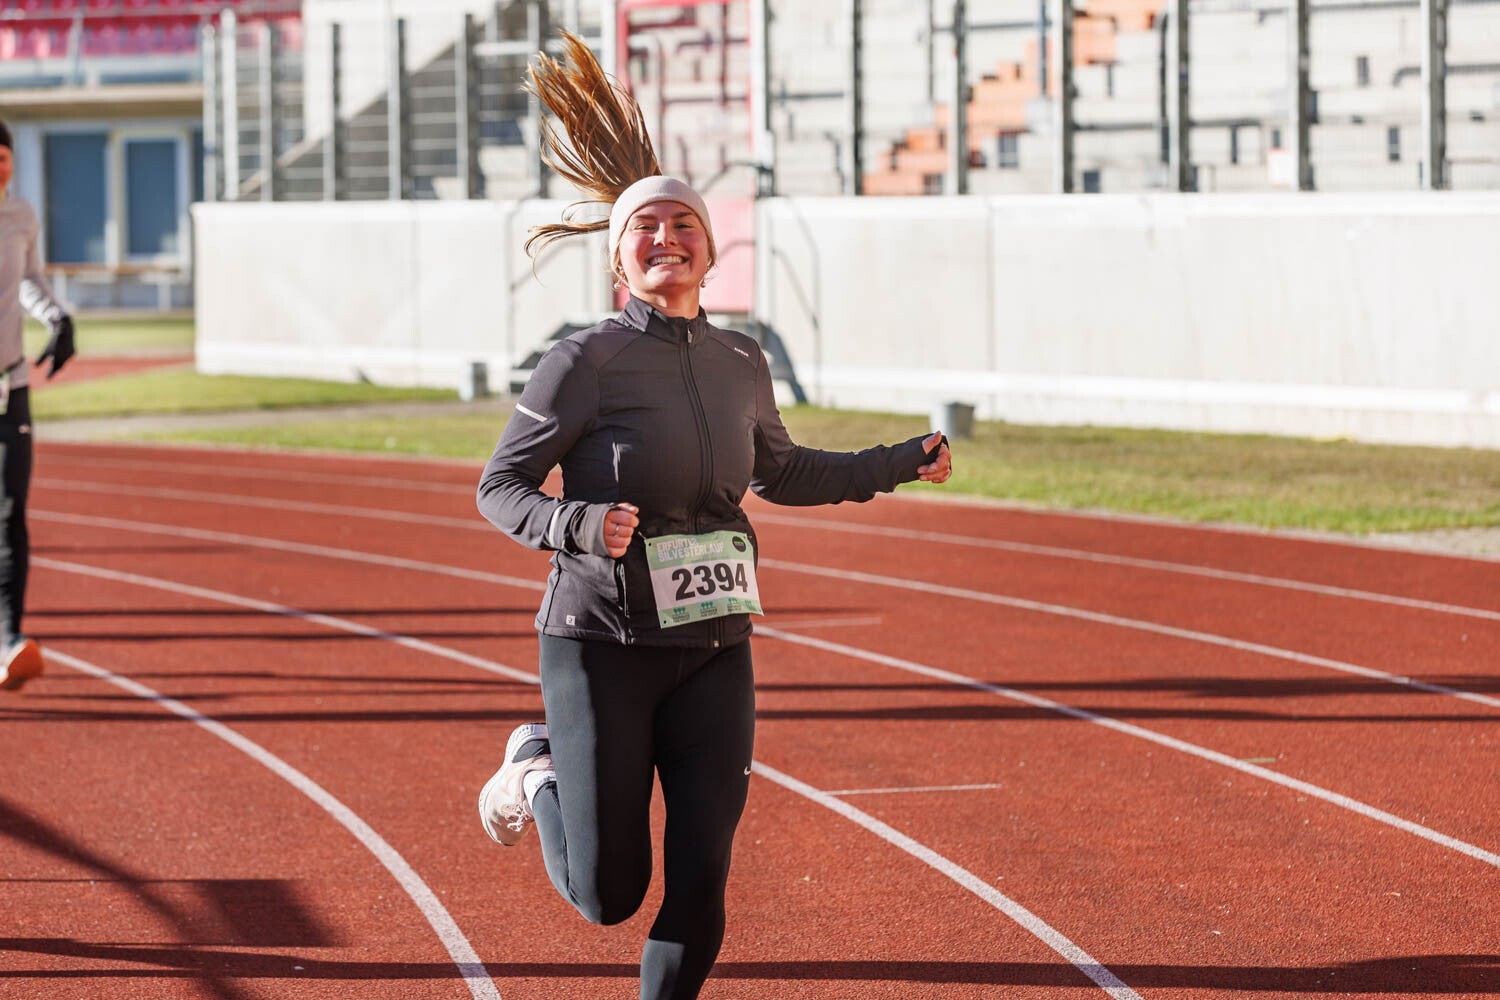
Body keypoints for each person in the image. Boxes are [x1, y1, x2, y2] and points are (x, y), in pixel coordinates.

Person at [474, 33, 952, 1000]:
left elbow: (782, 471)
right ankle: (535, 768)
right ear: (621, 256)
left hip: (715, 643)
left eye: (682, 225)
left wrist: (899, 462)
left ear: (708, 245)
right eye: (646, 228)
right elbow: (500, 487)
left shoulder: (741, 362)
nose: (666, 240)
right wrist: (574, 527)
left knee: (701, 878)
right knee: (612, 894)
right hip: (600, 641)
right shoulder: (584, 361)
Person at [0, 119, 76, 691]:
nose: (1, 169)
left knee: (9, 513)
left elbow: (27, 279)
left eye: (5, 159)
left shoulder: (21, 216)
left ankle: (7, 640)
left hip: (9, 386)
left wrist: (57, 317)